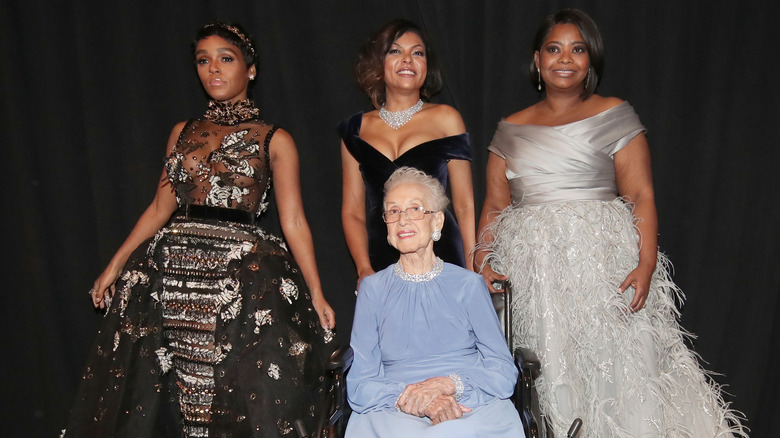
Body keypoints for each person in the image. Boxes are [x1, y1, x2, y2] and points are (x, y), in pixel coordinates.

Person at [475, 9, 747, 437]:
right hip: (536, 274)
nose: (565, 58)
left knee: (619, 367)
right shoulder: (509, 129)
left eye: (578, 49)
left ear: (591, 61)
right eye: (554, 48)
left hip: (603, 265)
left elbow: (641, 195)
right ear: (537, 60)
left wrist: (646, 264)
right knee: (552, 367)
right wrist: (482, 260)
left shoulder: (615, 113)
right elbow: (493, 204)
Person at [63, 22, 336, 437]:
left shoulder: (274, 139)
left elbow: (294, 220)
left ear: (251, 70)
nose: (213, 70)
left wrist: (316, 292)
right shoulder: (183, 132)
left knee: (232, 390)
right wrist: (114, 265)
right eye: (203, 61)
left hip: (236, 278)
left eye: (226, 59)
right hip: (172, 271)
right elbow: (160, 207)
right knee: (177, 388)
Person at [345, 167, 524, 438]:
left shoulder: (469, 285)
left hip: (469, 402)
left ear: (437, 222)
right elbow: (360, 383)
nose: (403, 220)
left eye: (415, 209)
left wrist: (448, 385)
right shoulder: (372, 289)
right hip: (395, 407)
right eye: (393, 212)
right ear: (387, 227)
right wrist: (419, 399)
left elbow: (502, 371)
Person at [338, 19, 475, 288]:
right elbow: (352, 211)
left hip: (442, 253)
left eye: (417, 52)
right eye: (395, 51)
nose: (408, 60)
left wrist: (472, 268)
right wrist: (364, 268)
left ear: (427, 65)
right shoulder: (356, 130)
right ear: (379, 63)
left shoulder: (446, 118)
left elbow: (465, 204)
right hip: (382, 259)